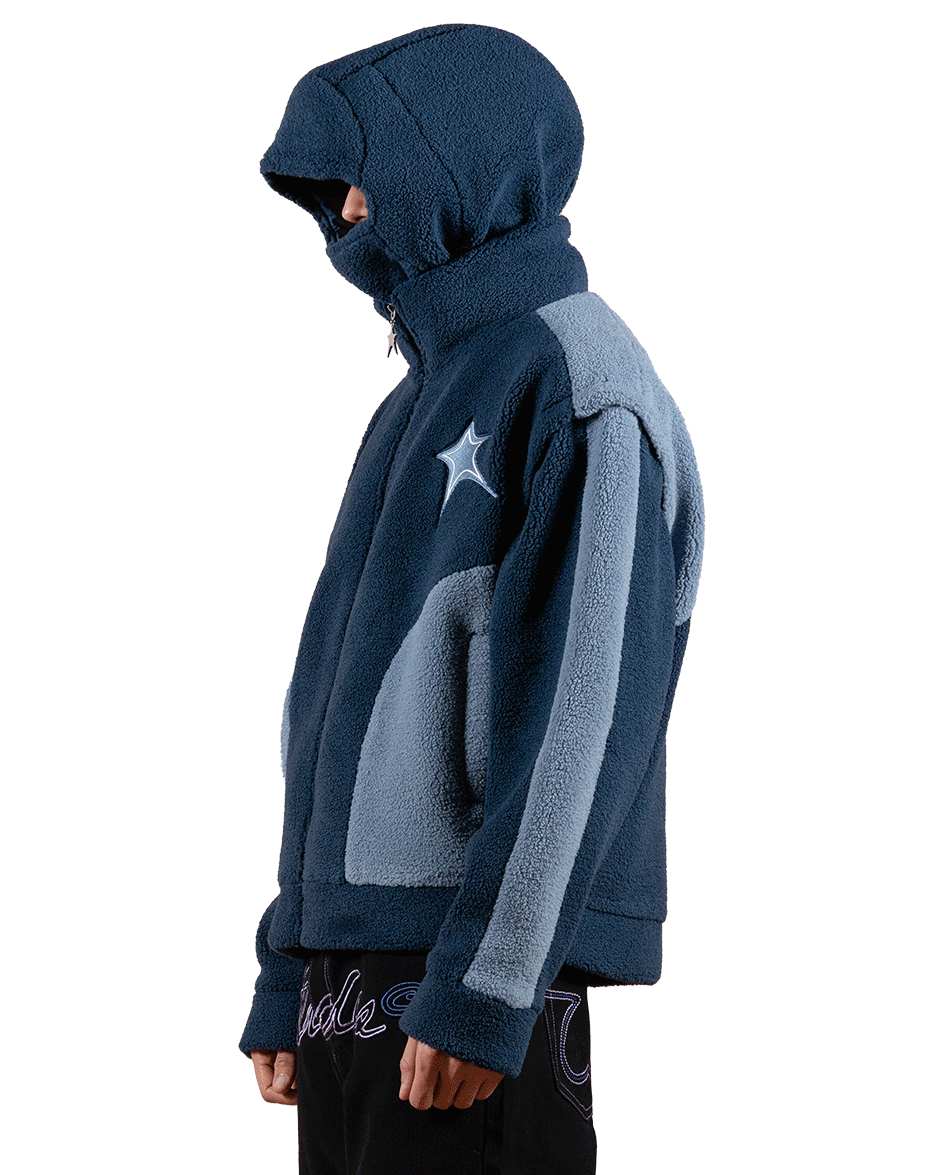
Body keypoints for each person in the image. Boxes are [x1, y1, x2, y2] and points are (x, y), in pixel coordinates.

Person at [238, 21, 705, 1175]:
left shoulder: (579, 383)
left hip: (467, 962)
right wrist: (290, 968)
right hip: (358, 969)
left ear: (455, 165)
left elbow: (580, 712)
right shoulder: (417, 398)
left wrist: (492, 981)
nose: (346, 212)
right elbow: (328, 700)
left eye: (363, 176)